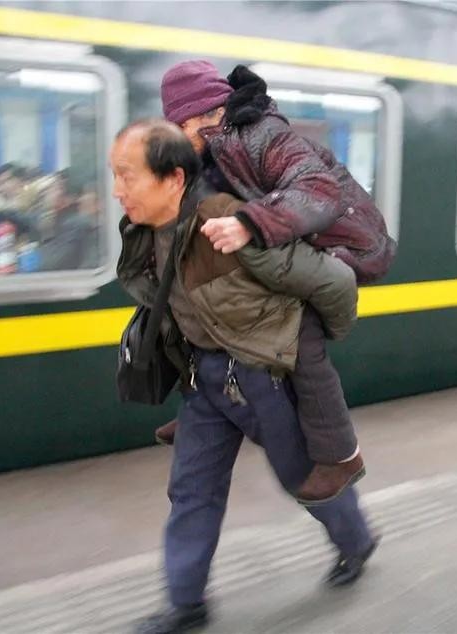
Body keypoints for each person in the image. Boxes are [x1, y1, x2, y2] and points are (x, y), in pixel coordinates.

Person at [111, 119, 378, 634]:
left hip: (260, 377)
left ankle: (356, 541)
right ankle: (186, 603)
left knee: (301, 476)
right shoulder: (144, 233)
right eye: (115, 176)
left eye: (128, 175)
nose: (118, 190)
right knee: (191, 489)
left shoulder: (227, 223)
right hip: (204, 380)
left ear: (173, 178)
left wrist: (314, 344)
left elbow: (335, 282)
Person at [155, 60, 396, 504]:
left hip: (336, 243)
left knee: (301, 336)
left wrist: (249, 223)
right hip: (287, 238)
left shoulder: (263, 134)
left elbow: (318, 189)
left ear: (205, 114)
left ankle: (342, 455)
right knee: (201, 303)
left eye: (180, 126)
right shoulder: (210, 147)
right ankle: (198, 410)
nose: (177, 137)